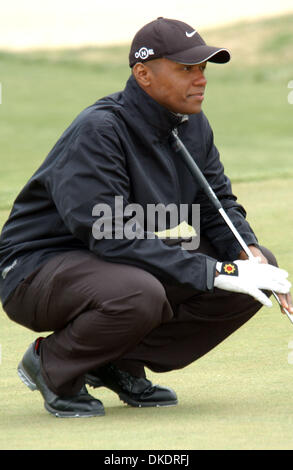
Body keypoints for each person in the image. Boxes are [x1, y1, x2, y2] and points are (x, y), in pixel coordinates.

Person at [0, 17, 292, 418]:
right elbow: (110, 235)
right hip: (34, 270)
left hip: (108, 263)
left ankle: (114, 362)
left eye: (203, 69)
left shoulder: (192, 126)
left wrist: (248, 254)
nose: (201, 79)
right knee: (140, 292)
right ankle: (52, 364)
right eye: (186, 69)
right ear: (143, 75)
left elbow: (216, 204)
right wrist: (216, 270)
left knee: (252, 265)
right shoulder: (100, 129)